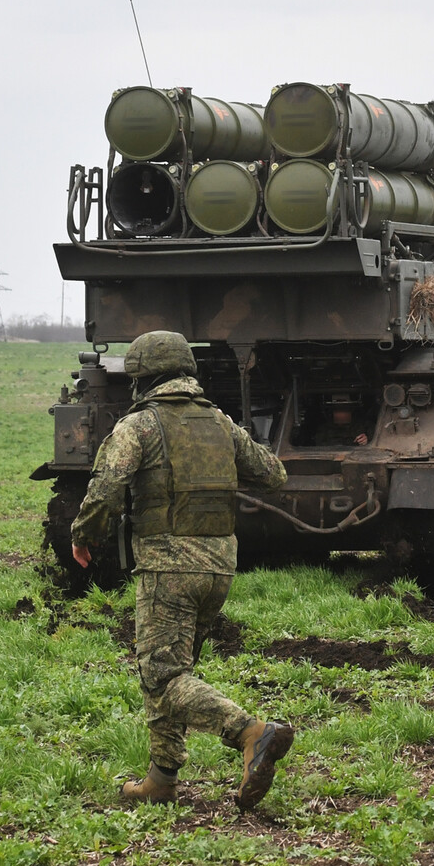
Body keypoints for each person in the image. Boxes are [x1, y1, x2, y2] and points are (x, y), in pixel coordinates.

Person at [70, 330, 292, 811]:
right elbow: (273, 474)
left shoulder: (140, 425)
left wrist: (84, 534)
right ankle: (162, 780)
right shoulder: (220, 422)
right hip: (219, 567)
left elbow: (107, 485)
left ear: (141, 378)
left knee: (163, 678)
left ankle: (251, 733)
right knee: (172, 672)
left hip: (168, 567)